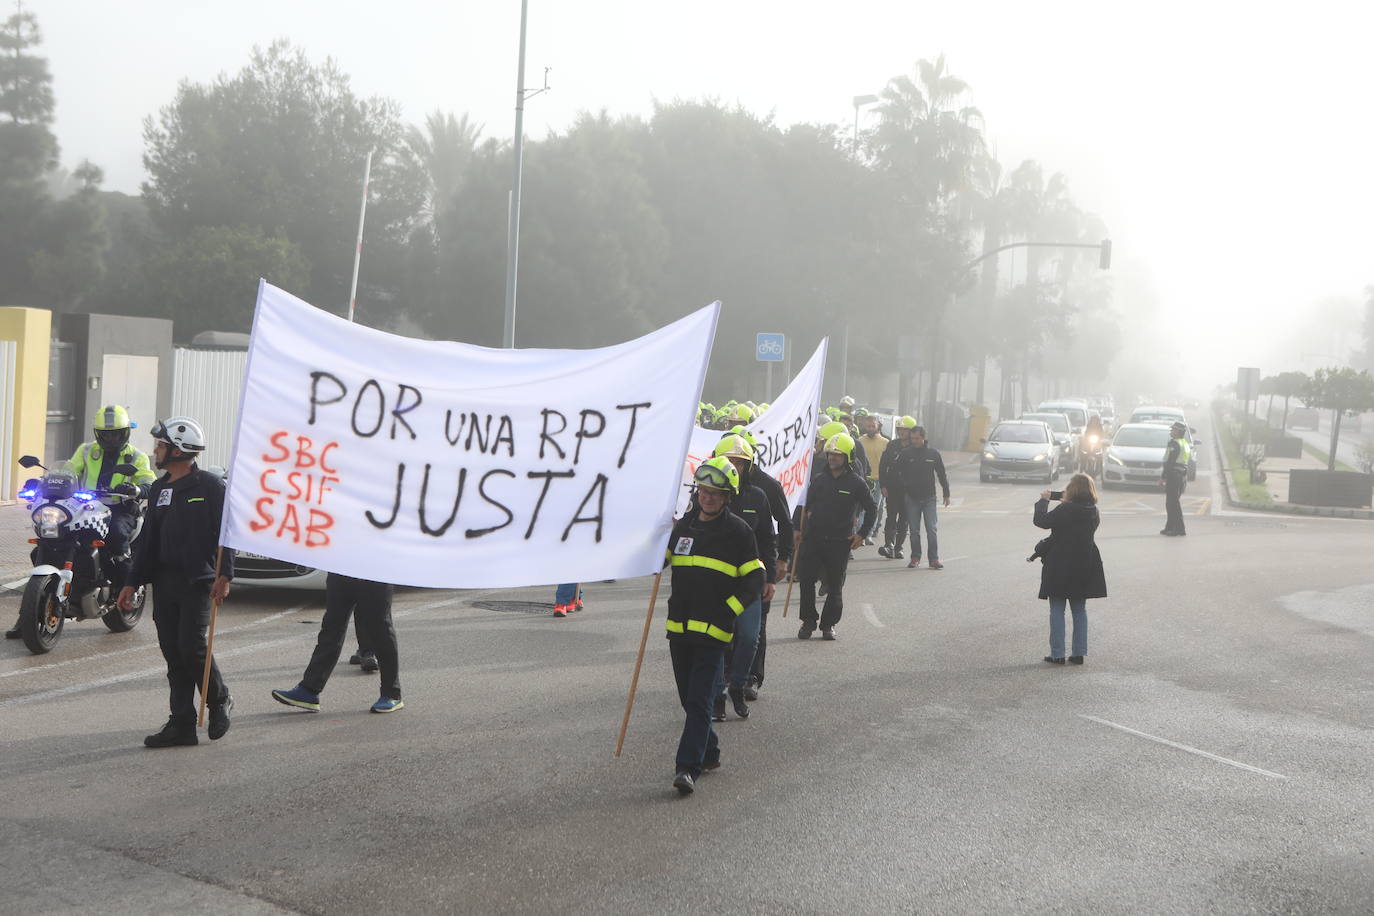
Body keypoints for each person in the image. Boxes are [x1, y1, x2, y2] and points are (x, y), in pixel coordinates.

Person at [117, 417, 234, 747]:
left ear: (180, 451)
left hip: (199, 580)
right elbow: (148, 541)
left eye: (161, 446)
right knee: (173, 653)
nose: (155, 451)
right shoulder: (159, 488)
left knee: (192, 647)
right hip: (164, 582)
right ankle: (181, 723)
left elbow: (227, 534)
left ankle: (219, 700)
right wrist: (131, 582)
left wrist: (226, 574)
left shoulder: (211, 487)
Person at [6, 405, 157, 640]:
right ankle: (27, 614)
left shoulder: (136, 456)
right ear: (98, 433)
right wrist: (41, 482)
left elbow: (149, 481)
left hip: (120, 508)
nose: (111, 438)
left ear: (125, 432)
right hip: (88, 505)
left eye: (116, 433)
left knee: (115, 537)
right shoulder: (87, 451)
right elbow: (67, 471)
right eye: (106, 434)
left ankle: (125, 590)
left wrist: (136, 488)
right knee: (48, 541)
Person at [664, 456, 765, 795]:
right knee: (687, 700)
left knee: (699, 700)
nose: (707, 497)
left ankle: (686, 768)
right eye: (703, 491)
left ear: (727, 497)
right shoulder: (682, 528)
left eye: (715, 493)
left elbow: (755, 580)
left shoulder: (739, 532)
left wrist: (728, 612)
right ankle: (709, 752)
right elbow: (661, 561)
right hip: (679, 630)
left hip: (713, 635)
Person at [708, 435, 776, 721]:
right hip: (715, 583)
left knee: (749, 638)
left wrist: (770, 578)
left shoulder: (758, 496)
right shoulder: (704, 496)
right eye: (730, 460)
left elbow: (767, 540)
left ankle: (739, 684)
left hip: (749, 582)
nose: (734, 466)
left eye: (740, 462)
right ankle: (717, 697)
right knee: (718, 642)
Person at [272, 574, 404, 714]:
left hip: (374, 570)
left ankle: (392, 694)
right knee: (332, 627)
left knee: (380, 628)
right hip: (341, 569)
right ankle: (309, 690)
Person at [797, 433, 876, 640]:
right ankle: (808, 621)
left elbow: (872, 508)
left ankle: (828, 625)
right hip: (813, 539)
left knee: (835, 586)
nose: (832, 458)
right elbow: (804, 506)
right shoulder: (818, 480)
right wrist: (797, 530)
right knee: (806, 581)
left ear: (848, 457)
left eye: (838, 455)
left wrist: (862, 534)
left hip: (840, 543)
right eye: (830, 454)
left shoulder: (857, 483)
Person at [1033, 473, 1107, 664]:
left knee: (1057, 608)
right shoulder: (1093, 511)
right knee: (1079, 609)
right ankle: (1078, 653)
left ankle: (1057, 654)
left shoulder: (1065, 510)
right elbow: (1076, 497)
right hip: (1084, 563)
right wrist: (1056, 495)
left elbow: (1041, 521)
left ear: (1071, 490)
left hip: (1060, 563)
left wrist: (1043, 500)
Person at [892, 425, 951, 569]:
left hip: (929, 498)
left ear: (923, 437)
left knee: (931, 529)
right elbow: (895, 470)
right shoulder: (906, 453)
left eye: (917, 438)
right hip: (912, 498)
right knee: (914, 531)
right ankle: (915, 557)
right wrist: (904, 486)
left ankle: (933, 559)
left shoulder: (933, 454)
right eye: (912, 438)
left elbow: (942, 474)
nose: (914, 441)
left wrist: (946, 493)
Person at [878, 417, 916, 559]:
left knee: (904, 519)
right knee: (891, 517)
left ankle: (899, 548)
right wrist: (883, 485)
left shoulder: (916, 448)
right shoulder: (892, 445)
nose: (902, 432)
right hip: (892, 488)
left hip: (909, 490)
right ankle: (889, 545)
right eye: (900, 429)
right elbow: (883, 466)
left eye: (905, 429)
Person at [855, 410, 889, 544]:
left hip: (879, 480)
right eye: (868, 426)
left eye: (872, 426)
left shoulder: (885, 442)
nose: (870, 428)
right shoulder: (859, 441)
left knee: (876, 508)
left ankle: (870, 532)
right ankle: (862, 535)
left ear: (878, 426)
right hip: (864, 480)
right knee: (863, 508)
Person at [1160, 421, 1191, 536]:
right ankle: (1170, 526)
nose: (1171, 431)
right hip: (1181, 475)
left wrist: (1163, 477)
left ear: (1178, 431)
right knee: (1172, 503)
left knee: (1173, 503)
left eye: (1173, 429)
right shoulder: (1184, 443)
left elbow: (1170, 462)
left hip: (1174, 475)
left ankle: (1179, 528)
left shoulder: (1174, 444)